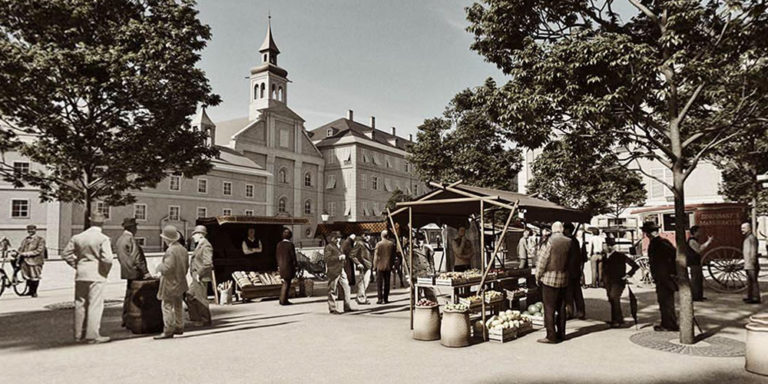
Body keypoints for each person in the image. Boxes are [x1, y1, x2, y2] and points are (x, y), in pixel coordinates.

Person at [61, 213, 113, 344]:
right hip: (97, 273)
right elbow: (108, 259)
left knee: (80, 304)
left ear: (90, 221)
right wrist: (104, 271)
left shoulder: (78, 237)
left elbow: (66, 253)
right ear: (103, 222)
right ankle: (92, 335)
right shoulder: (103, 238)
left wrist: (77, 265)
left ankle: (78, 334)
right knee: (95, 304)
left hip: (81, 273)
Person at [535, 222, 571, 344]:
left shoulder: (549, 242)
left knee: (549, 308)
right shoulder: (569, 242)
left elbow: (542, 261)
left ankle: (551, 335)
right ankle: (561, 333)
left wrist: (537, 276)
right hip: (564, 279)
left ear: (553, 230)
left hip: (549, 278)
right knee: (561, 308)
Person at [154, 225, 189, 339]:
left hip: (169, 283)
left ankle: (168, 330)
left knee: (166, 305)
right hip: (180, 281)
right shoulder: (183, 249)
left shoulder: (170, 250)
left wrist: (158, 267)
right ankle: (179, 326)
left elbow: (168, 268)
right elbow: (186, 266)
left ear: (167, 239)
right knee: (178, 304)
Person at [643, 222, 679, 331]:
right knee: (665, 302)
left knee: (665, 302)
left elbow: (671, 258)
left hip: (664, 277)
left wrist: (670, 273)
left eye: (647, 232)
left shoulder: (658, 243)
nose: (646, 235)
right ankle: (668, 323)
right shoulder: (662, 242)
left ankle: (669, 325)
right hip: (664, 277)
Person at [116, 218, 150, 327]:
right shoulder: (130, 239)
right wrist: (145, 272)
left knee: (129, 296)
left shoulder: (120, 239)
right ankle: (135, 319)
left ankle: (126, 318)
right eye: (135, 226)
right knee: (136, 296)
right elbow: (137, 257)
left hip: (126, 270)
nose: (137, 229)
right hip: (135, 271)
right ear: (132, 228)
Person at [602, 237, 639, 327]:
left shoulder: (620, 256)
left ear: (609, 246)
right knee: (611, 299)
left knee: (615, 298)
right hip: (608, 282)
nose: (603, 247)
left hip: (618, 281)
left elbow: (635, 265)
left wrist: (628, 274)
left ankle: (618, 321)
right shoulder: (605, 257)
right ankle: (615, 319)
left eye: (605, 245)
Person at [188, 225, 213, 325]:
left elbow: (208, 263)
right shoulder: (200, 244)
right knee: (190, 295)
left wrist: (199, 274)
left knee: (201, 298)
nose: (193, 237)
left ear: (200, 235)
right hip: (196, 275)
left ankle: (205, 320)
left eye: (195, 234)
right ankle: (196, 319)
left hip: (200, 276)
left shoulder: (206, 246)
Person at [325, 231, 353, 314]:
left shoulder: (339, 246)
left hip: (341, 269)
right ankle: (332, 308)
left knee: (347, 287)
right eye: (336, 238)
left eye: (339, 238)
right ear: (332, 238)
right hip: (333, 270)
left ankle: (347, 306)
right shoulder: (329, 247)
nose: (338, 239)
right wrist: (338, 257)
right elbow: (327, 258)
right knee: (332, 289)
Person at [564, 223, 586, 320]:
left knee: (569, 293)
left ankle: (570, 312)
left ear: (568, 230)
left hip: (569, 270)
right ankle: (581, 311)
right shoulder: (575, 241)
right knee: (577, 292)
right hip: (576, 270)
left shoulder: (568, 241)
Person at [18, 224, 46, 297]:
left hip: (35, 261)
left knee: (35, 276)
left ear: (35, 230)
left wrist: (26, 254)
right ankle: (29, 291)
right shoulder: (25, 239)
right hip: (25, 261)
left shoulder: (40, 239)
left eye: (32, 229)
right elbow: (21, 248)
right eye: (28, 230)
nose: (30, 231)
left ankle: (34, 292)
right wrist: (17, 253)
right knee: (27, 276)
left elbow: (39, 250)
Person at [686, 225, 712, 302]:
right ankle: (695, 296)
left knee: (699, 279)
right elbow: (699, 249)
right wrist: (708, 242)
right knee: (695, 280)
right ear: (695, 232)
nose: (700, 233)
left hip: (696, 262)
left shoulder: (694, 240)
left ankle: (699, 296)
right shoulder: (692, 241)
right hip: (693, 262)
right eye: (699, 231)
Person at [275, 227, 298, 306]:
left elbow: (277, 256)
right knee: (287, 283)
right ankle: (284, 300)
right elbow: (293, 256)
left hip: (281, 266)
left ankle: (282, 299)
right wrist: (296, 265)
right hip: (288, 266)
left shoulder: (279, 244)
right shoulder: (290, 245)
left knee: (285, 282)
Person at [350, 232, 373, 305]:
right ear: (362, 236)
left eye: (368, 235)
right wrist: (358, 263)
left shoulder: (368, 243)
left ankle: (360, 297)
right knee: (363, 282)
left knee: (365, 282)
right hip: (363, 265)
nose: (367, 237)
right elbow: (352, 255)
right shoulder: (359, 243)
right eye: (366, 235)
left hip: (367, 265)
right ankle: (361, 298)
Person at [374, 230, 396, 304]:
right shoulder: (392, 244)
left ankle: (380, 299)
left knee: (379, 284)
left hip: (380, 266)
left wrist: (374, 266)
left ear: (381, 236)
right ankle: (386, 299)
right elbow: (393, 256)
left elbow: (376, 257)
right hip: (388, 266)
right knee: (387, 283)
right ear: (388, 236)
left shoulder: (378, 244)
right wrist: (391, 264)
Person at [742, 222, 761, 304]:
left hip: (751, 264)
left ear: (749, 228)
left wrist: (752, 262)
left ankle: (756, 298)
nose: (741, 230)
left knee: (753, 281)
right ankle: (750, 297)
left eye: (743, 228)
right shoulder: (748, 238)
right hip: (748, 264)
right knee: (750, 281)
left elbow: (753, 251)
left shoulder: (751, 238)